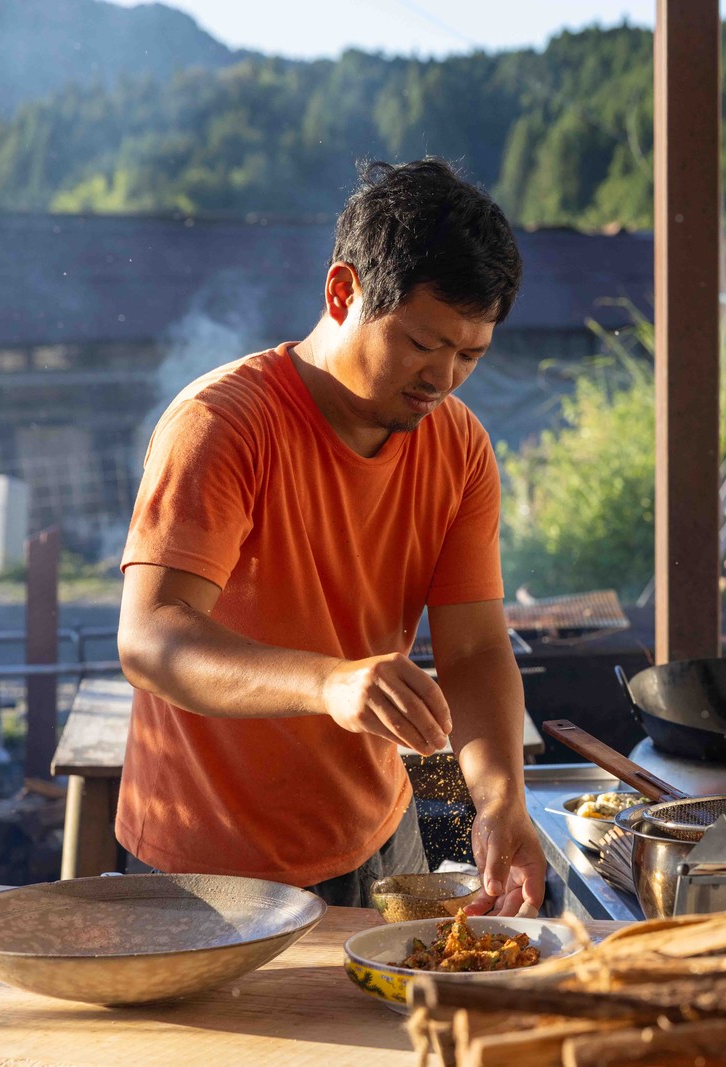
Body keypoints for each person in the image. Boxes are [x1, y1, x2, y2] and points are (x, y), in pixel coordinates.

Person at [115, 157, 546, 915]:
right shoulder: (221, 425)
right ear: (343, 291)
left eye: (470, 354)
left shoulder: (460, 448)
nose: (442, 377)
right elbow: (149, 638)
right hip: (206, 864)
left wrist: (500, 797)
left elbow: (475, 651)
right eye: (420, 342)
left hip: (382, 829)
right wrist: (330, 681)